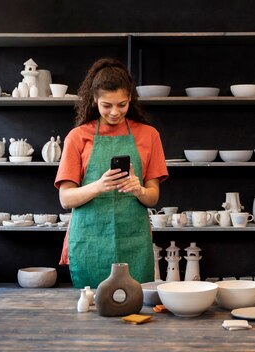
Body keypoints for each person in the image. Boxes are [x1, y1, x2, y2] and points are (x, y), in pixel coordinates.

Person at [55, 58, 168, 288]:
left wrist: (139, 189)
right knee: (91, 314)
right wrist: (99, 185)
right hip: (90, 242)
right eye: (107, 105)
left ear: (130, 100)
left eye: (122, 104)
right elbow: (66, 199)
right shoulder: (77, 137)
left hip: (134, 242)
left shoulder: (149, 135)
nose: (115, 112)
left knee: (136, 309)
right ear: (94, 99)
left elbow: (153, 196)